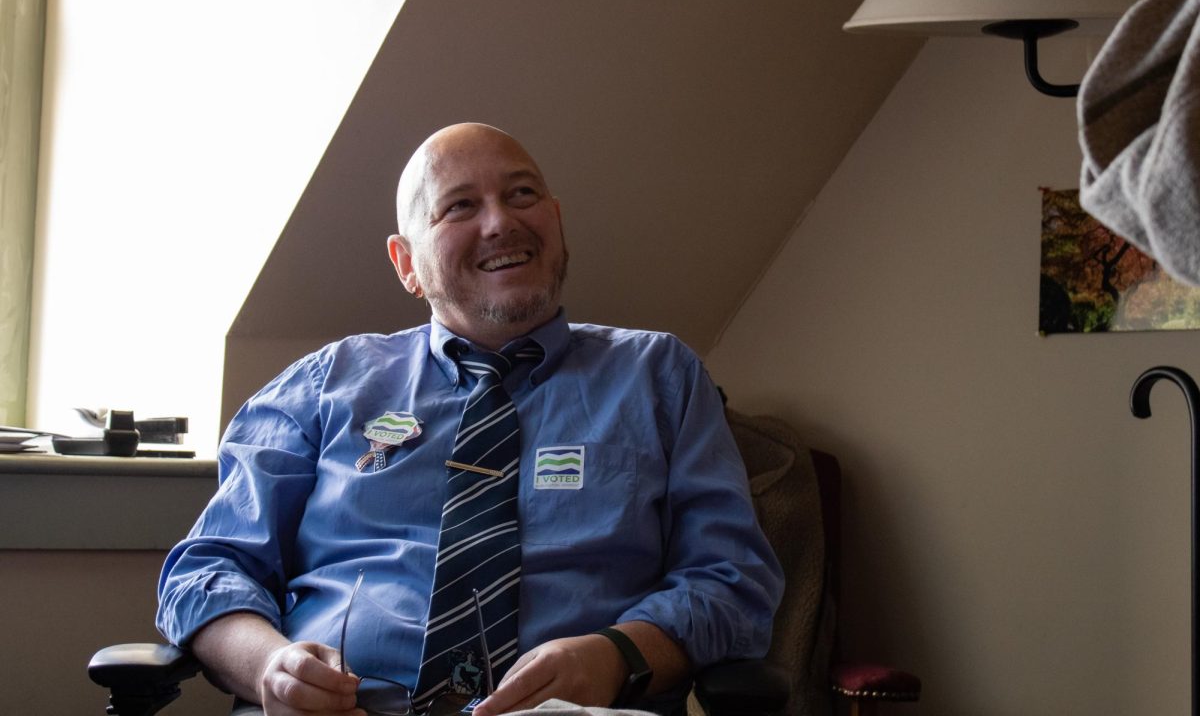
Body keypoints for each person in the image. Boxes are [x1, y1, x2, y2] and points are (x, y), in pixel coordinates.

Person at [156, 123, 784, 716]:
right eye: (459, 206)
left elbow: (733, 580)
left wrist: (617, 655)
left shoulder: (659, 376)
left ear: (557, 222)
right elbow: (205, 572)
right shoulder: (326, 383)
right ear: (406, 264)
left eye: (522, 195)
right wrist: (272, 667)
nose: (501, 222)